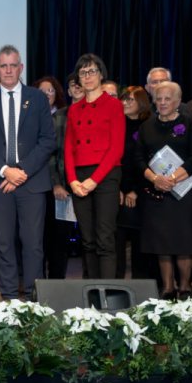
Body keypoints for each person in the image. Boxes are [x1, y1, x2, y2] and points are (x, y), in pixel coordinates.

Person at [0, 46, 56, 301]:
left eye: (13, 65)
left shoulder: (38, 98)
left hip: (31, 182)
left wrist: (21, 172)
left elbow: (47, 140)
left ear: (21, 68)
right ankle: (9, 297)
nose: (8, 70)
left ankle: (33, 298)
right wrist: (5, 171)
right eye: (3, 66)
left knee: (32, 243)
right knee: (4, 243)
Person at [134, 81, 192, 299]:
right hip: (157, 193)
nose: (163, 102)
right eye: (159, 98)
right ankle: (167, 287)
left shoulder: (190, 123)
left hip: (185, 192)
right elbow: (138, 159)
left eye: (168, 99)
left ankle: (184, 287)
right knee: (162, 242)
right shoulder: (146, 126)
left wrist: (172, 179)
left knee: (184, 242)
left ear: (177, 102)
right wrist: (155, 178)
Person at [63, 54, 125, 280]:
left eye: (92, 71)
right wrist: (72, 180)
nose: (87, 76)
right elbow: (68, 148)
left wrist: (94, 180)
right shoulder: (74, 109)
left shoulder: (114, 105)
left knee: (105, 239)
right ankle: (91, 292)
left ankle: (107, 294)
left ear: (101, 74)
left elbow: (116, 149)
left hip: (105, 176)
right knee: (87, 240)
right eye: (83, 72)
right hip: (79, 177)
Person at [116, 86, 155, 281]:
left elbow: (150, 162)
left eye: (130, 100)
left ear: (141, 103)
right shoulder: (116, 124)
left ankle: (141, 288)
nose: (124, 103)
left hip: (142, 192)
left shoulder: (149, 126)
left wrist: (135, 191)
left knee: (140, 243)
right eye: (123, 99)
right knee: (117, 241)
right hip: (117, 191)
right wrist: (118, 189)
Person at [35, 75, 70, 279]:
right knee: (38, 238)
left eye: (50, 90)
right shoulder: (28, 117)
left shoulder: (65, 117)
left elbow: (58, 153)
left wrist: (58, 183)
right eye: (42, 90)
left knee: (59, 237)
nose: (46, 94)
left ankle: (58, 282)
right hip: (35, 185)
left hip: (60, 185)